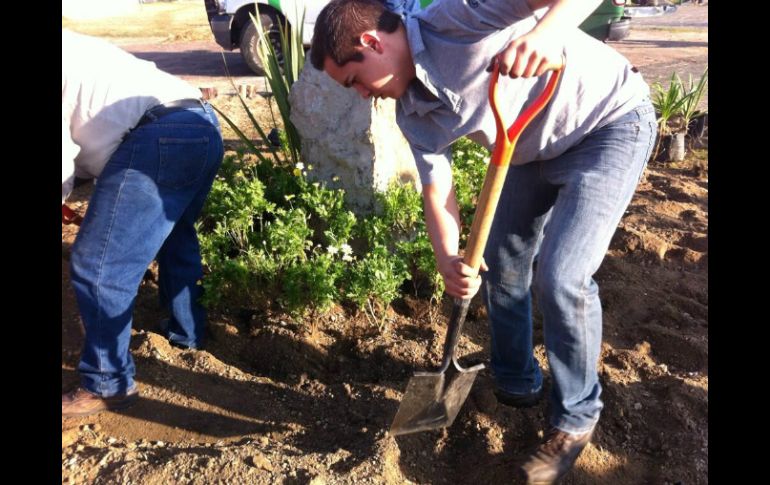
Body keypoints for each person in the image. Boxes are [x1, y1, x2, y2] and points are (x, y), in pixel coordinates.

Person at [310, 0, 656, 482]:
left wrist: (546, 33)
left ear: (372, 43)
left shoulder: (457, 19)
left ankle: (576, 419)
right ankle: (516, 382)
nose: (364, 95)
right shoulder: (412, 113)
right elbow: (438, 190)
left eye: (355, 81)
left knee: (562, 278)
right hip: (524, 149)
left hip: (606, 126)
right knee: (502, 264)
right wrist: (448, 258)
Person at [62, 30, 225, 417]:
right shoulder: (74, 45)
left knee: (97, 264)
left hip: (160, 134)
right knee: (175, 238)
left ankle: (107, 383)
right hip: (201, 125)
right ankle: (186, 338)